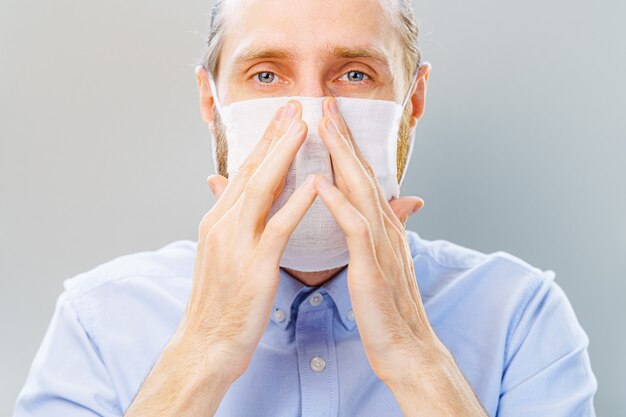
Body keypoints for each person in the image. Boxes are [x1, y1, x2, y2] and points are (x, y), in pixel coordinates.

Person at [14, 0, 597, 416]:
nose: (314, 119)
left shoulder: (520, 315)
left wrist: (414, 354)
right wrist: (204, 351)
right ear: (209, 100)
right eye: (267, 74)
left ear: (412, 101)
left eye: (354, 74)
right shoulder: (99, 322)